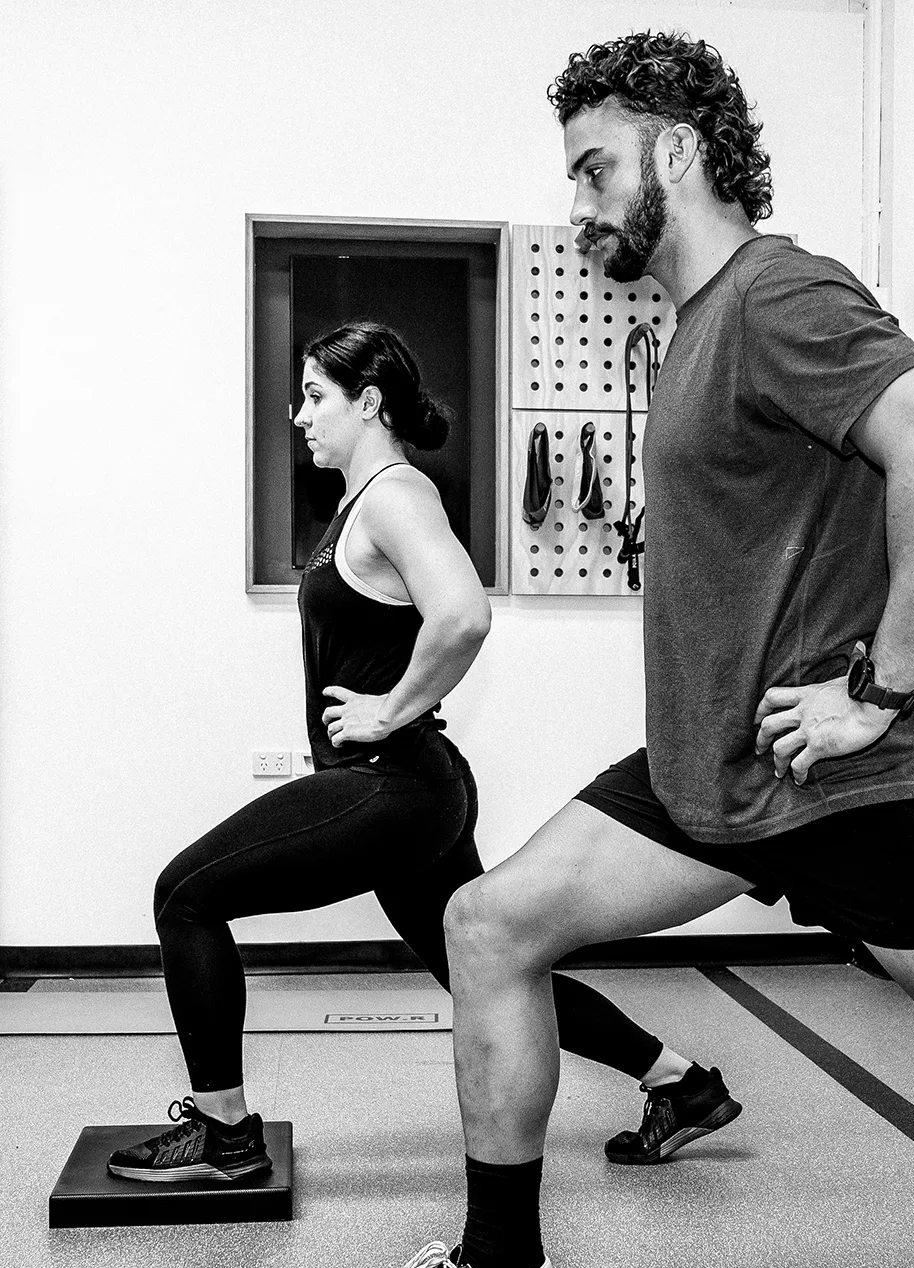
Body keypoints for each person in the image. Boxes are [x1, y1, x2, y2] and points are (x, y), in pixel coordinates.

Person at [326, 31, 914, 1268]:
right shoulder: (692, 329)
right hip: (710, 773)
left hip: (840, 779)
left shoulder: (773, 296)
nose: (577, 208)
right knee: (489, 927)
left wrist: (879, 685)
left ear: (678, 152)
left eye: (594, 170)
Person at [106, 319, 737, 1185]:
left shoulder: (397, 495)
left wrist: (389, 711)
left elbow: (464, 613)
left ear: (369, 403)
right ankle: (682, 1083)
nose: (300, 415)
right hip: (412, 788)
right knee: (483, 965)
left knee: (182, 895)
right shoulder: (360, 504)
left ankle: (225, 1135)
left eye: (316, 396)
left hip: (391, 783)